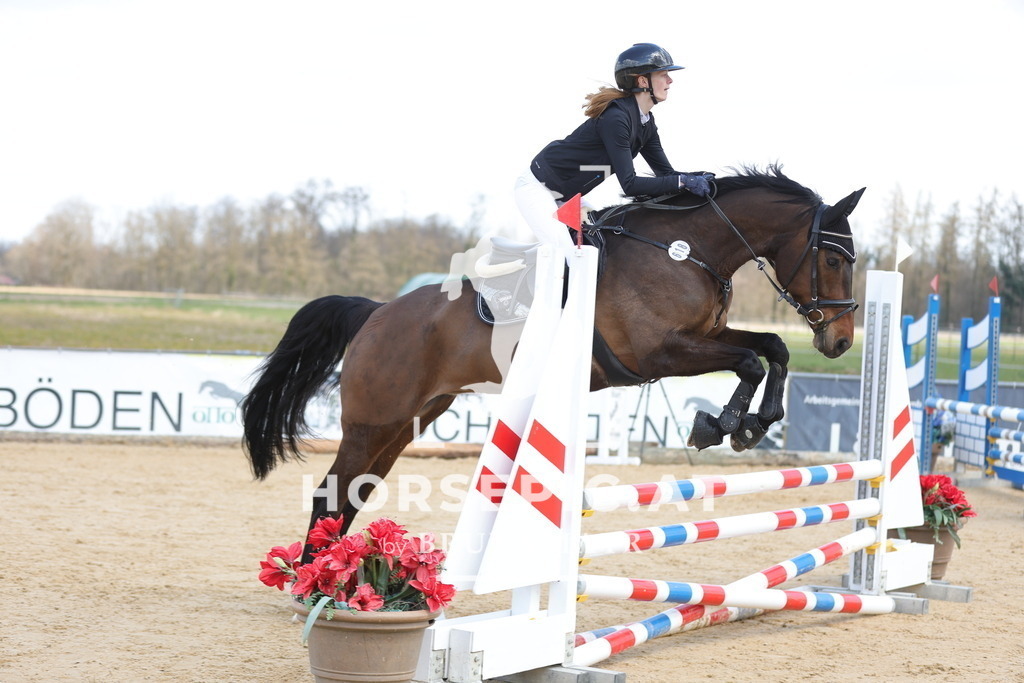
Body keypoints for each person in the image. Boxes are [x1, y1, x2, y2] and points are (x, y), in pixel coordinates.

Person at [515, 43, 712, 252]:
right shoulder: (616, 118)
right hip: (538, 188)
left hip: (566, 196)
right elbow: (630, 184)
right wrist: (684, 182)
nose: (670, 81)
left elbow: (666, 174)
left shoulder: (646, 124)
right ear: (643, 81)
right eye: (663, 74)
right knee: (565, 256)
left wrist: (696, 178)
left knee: (596, 251)